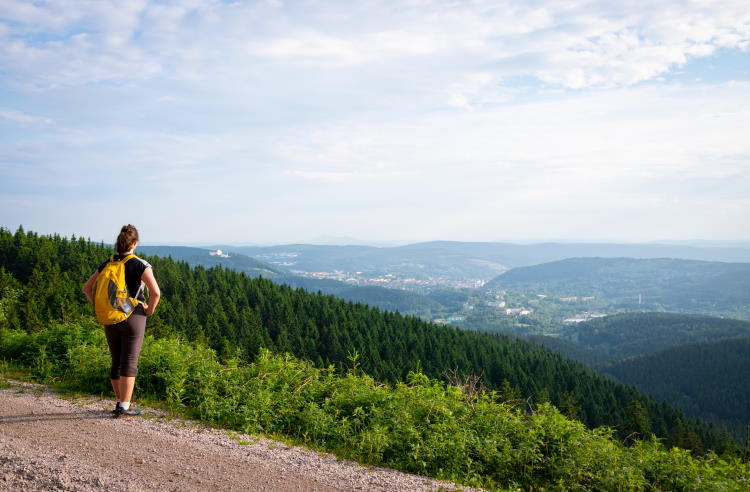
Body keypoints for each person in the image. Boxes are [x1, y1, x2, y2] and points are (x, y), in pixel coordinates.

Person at [82, 224, 161, 417]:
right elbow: (156, 293)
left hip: (110, 317)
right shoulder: (140, 264)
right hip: (133, 316)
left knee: (116, 360)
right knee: (130, 360)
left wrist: (100, 306)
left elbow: (87, 288)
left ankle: (120, 402)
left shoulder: (107, 264)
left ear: (119, 243)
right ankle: (125, 406)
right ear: (135, 243)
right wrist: (149, 310)